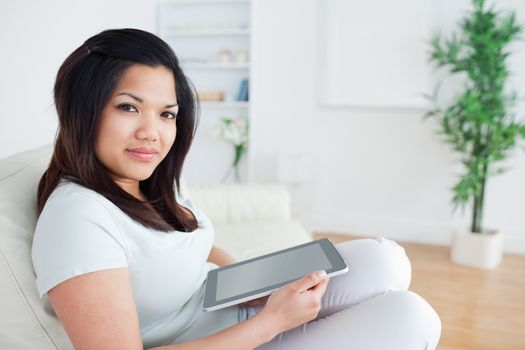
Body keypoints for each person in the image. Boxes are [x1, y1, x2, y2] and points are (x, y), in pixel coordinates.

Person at [31, 28, 441, 350]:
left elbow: (193, 244)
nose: (151, 132)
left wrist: (250, 285)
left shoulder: (145, 183)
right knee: (412, 318)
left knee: (386, 259)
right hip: (244, 339)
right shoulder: (78, 217)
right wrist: (272, 322)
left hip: (240, 314)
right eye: (129, 107)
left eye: (166, 114)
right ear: (82, 109)